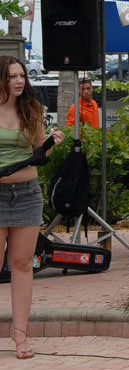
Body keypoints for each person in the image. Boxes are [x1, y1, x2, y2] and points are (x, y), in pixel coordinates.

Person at [0, 56, 65, 359]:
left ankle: (20, 336)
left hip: (26, 193)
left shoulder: (32, 110)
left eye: (22, 76)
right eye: (12, 76)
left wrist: (51, 143)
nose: (19, 81)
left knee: (23, 265)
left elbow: (39, 150)